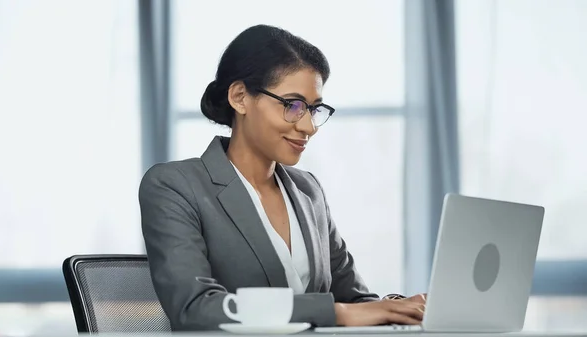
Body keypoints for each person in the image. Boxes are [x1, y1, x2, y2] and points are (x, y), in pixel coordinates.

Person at [139, 24, 425, 331]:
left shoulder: (307, 190)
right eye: (293, 105)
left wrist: (400, 309)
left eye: (314, 109)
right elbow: (195, 309)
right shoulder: (175, 186)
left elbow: (355, 300)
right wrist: (335, 314)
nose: (309, 127)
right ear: (240, 97)